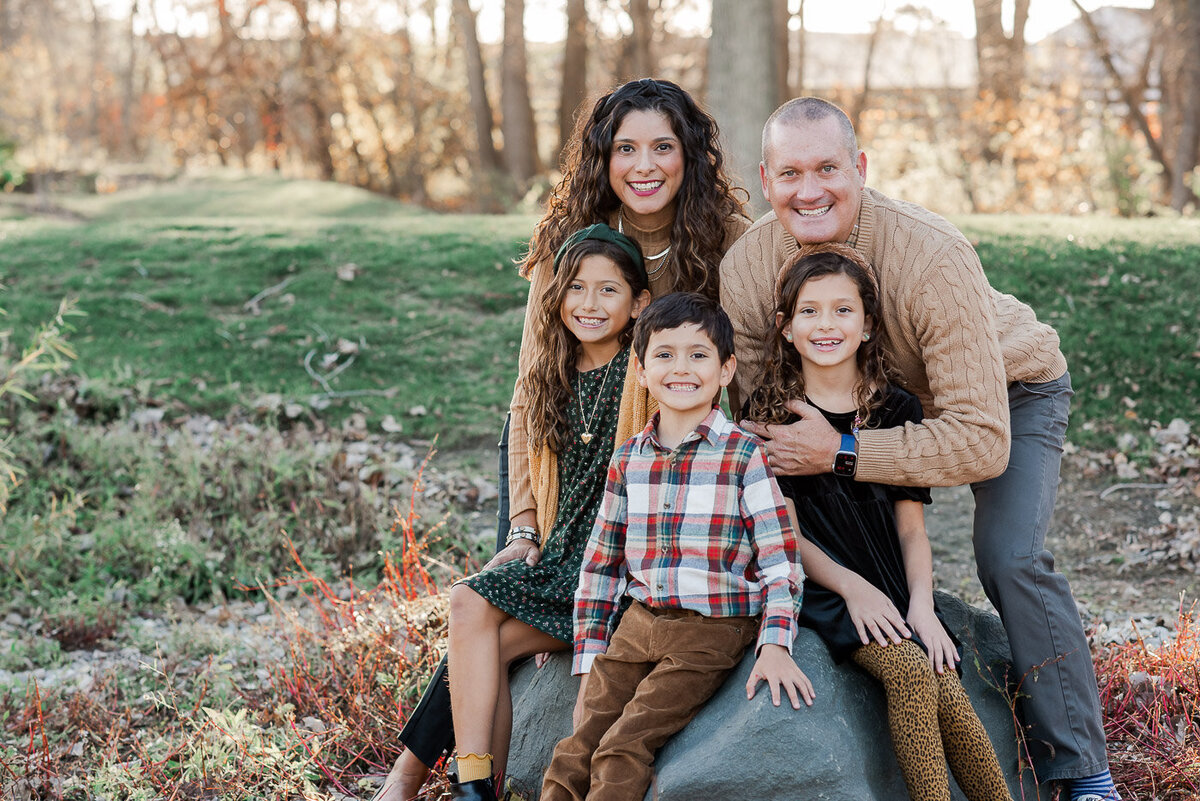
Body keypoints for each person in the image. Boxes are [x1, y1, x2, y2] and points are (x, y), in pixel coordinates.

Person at [719, 97, 1120, 801]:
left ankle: (1085, 772)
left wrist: (843, 451)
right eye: (789, 173)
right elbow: (765, 434)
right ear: (764, 178)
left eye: (827, 169)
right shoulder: (748, 267)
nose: (808, 190)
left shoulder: (930, 253)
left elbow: (980, 438)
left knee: (1010, 555)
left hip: (1004, 395)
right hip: (856, 416)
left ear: (861, 168)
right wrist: (844, 579)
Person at [377, 77, 749, 800]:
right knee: (482, 608)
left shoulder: (722, 239)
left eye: (663, 147)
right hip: (553, 467)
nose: (644, 164)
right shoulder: (569, 246)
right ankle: (427, 777)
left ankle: (414, 774)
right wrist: (523, 523)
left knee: (488, 628)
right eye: (626, 147)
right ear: (603, 157)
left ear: (691, 155)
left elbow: (743, 368)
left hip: (649, 483)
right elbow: (530, 392)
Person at [374, 224, 652, 801]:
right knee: (479, 627)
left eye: (608, 290)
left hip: (612, 566)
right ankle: (476, 789)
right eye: (575, 288)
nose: (590, 304)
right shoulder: (546, 377)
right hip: (558, 559)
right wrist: (525, 531)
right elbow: (528, 462)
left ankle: (453, 785)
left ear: (639, 302)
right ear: (557, 298)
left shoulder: (648, 373)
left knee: (468, 608)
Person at [746, 244, 1012, 801]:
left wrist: (923, 603)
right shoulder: (771, 411)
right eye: (809, 311)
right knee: (911, 672)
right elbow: (787, 533)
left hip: (893, 582)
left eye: (843, 310)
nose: (826, 324)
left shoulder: (895, 409)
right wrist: (853, 588)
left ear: (868, 325)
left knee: (947, 682)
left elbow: (912, 529)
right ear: (786, 326)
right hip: (826, 586)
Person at [540, 292, 812, 801]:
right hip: (638, 624)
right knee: (575, 749)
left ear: (726, 369)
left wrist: (775, 641)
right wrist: (589, 662)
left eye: (698, 354)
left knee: (622, 747)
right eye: (664, 355)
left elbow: (781, 561)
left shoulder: (743, 456)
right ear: (641, 371)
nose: (681, 368)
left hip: (711, 629)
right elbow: (600, 567)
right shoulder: (628, 460)